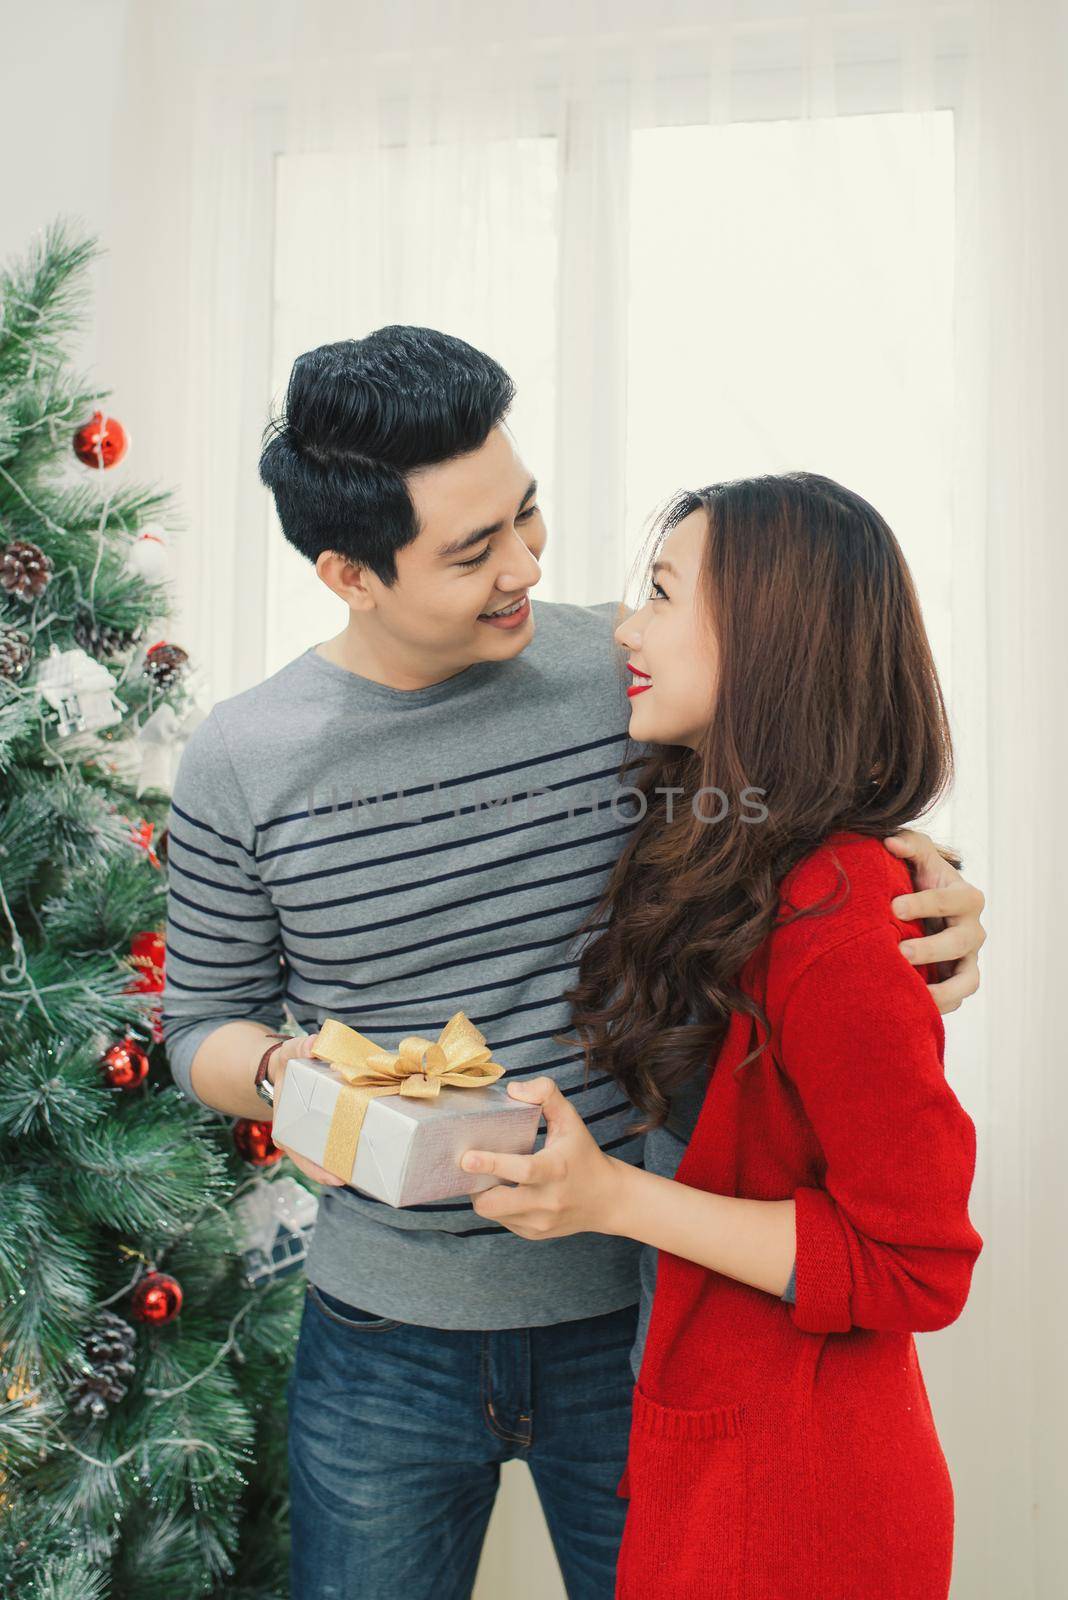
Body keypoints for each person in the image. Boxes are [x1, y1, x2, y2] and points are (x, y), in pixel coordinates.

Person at [160, 330, 986, 1600]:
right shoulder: (243, 761)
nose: (527, 569)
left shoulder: (627, 672)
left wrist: (921, 881)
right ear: (348, 570)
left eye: (527, 514)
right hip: (384, 1338)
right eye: (471, 551)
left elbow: (791, 805)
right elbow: (198, 1023)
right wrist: (284, 1076)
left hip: (646, 1312)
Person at [459, 472, 984, 1600]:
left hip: (802, 1510)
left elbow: (918, 1264)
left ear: (769, 638)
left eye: (657, 593)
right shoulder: (724, 846)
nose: (624, 628)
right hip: (718, 1461)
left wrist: (607, 1199)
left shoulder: (839, 908)